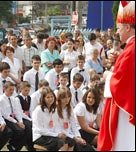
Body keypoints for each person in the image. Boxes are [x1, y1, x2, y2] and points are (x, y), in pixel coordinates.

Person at [98, 1, 135, 151]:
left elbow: (122, 83)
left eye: (118, 28)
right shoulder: (130, 48)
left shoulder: (131, 50)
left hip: (126, 112)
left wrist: (107, 75)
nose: (117, 32)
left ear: (127, 27)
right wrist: (119, 58)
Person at [57, 87, 95, 151]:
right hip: (62, 135)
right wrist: (75, 138)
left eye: (68, 97)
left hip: (72, 135)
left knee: (89, 148)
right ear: (59, 98)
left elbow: (73, 125)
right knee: (77, 147)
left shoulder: (69, 108)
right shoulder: (55, 110)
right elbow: (59, 128)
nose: (67, 99)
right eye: (64, 97)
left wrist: (78, 137)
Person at [0, 81, 26, 151]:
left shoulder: (13, 99)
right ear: (4, 89)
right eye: (10, 89)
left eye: (13, 90)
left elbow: (17, 111)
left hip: (13, 118)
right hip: (6, 119)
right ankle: (11, 144)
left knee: (25, 129)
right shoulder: (1, 100)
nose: (12, 91)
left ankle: (14, 146)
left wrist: (20, 121)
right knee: (19, 130)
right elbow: (6, 115)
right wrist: (16, 122)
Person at [15, 81, 35, 151]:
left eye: (28, 90)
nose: (27, 92)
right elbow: (19, 112)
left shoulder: (29, 98)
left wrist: (32, 118)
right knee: (28, 129)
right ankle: (19, 146)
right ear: (21, 89)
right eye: (25, 90)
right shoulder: (17, 98)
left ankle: (31, 145)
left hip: (27, 117)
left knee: (33, 127)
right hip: (20, 117)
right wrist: (29, 119)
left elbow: (31, 110)